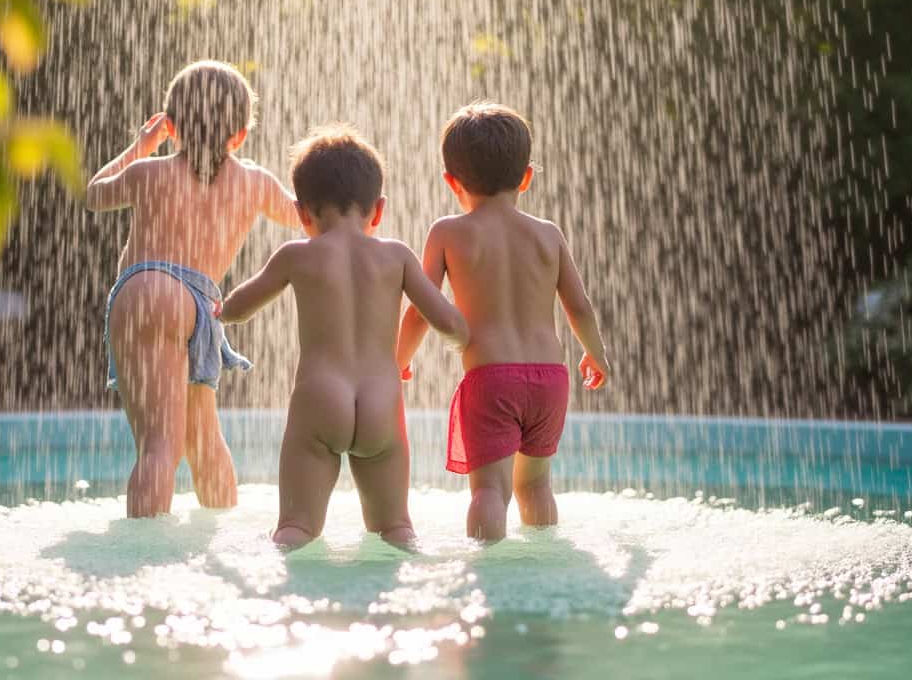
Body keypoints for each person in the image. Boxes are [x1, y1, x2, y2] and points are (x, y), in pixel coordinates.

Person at [219, 125, 468, 548]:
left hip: (320, 397)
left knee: (295, 529)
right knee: (396, 531)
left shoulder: (296, 255)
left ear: (302, 213)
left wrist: (216, 310)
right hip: (382, 402)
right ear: (379, 209)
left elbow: (238, 308)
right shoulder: (397, 257)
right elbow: (451, 325)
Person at [87, 60, 299, 518]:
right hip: (200, 305)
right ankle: (221, 532)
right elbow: (308, 218)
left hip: (144, 290)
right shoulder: (255, 183)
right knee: (204, 440)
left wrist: (140, 147)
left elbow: (94, 193)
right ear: (240, 134)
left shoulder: (149, 173)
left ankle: (142, 552)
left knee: (158, 445)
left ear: (172, 125)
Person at [395, 102, 611, 541]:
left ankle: (490, 575)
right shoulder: (548, 234)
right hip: (550, 380)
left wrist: (396, 359)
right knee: (536, 485)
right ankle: (542, 565)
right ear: (527, 177)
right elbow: (580, 306)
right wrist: (596, 354)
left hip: (492, 379)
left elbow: (421, 308)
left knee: (489, 491)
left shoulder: (448, 232)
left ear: (451, 182)